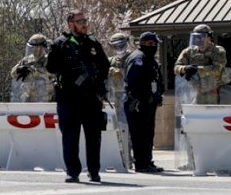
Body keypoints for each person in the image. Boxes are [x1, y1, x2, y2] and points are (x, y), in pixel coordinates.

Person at [46, 10, 110, 183]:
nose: (84, 23)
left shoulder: (93, 43)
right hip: (68, 98)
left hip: (90, 99)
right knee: (70, 137)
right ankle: (72, 172)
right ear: (70, 23)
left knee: (94, 137)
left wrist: (97, 81)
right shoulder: (60, 44)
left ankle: (94, 171)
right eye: (80, 20)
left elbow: (105, 65)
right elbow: (50, 67)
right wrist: (70, 70)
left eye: (85, 20)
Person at [124, 32, 164, 173]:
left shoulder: (149, 58)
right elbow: (132, 81)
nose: (155, 47)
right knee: (139, 133)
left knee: (147, 132)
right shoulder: (139, 58)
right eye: (153, 44)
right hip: (138, 103)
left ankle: (147, 160)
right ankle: (141, 163)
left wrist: (157, 95)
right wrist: (137, 98)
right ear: (146, 44)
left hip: (148, 102)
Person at [173, 24, 227, 104]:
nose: (199, 41)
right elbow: (176, 68)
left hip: (213, 91)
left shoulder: (218, 51)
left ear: (209, 38)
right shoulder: (189, 51)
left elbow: (218, 69)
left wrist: (197, 70)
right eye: (196, 37)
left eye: (201, 37)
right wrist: (185, 68)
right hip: (193, 91)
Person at [106, 32, 133, 169]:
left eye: (122, 45)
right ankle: (119, 158)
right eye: (116, 45)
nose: (119, 48)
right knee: (116, 130)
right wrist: (112, 71)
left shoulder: (132, 58)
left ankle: (129, 158)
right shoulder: (111, 61)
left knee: (129, 130)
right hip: (114, 99)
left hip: (129, 98)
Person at [10, 33, 54, 102]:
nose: (33, 49)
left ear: (41, 47)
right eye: (32, 47)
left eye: (36, 47)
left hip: (45, 101)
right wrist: (19, 70)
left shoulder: (50, 61)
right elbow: (13, 74)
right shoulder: (27, 60)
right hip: (28, 100)